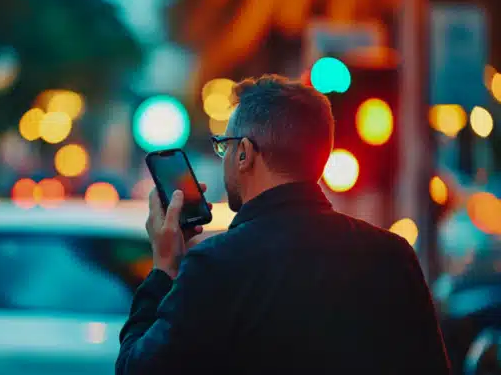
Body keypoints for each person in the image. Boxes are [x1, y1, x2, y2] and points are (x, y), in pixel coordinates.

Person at [116, 74, 450, 374]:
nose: (226, 160)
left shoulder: (217, 266)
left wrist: (163, 267)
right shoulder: (391, 255)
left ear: (245, 153)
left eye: (225, 147)